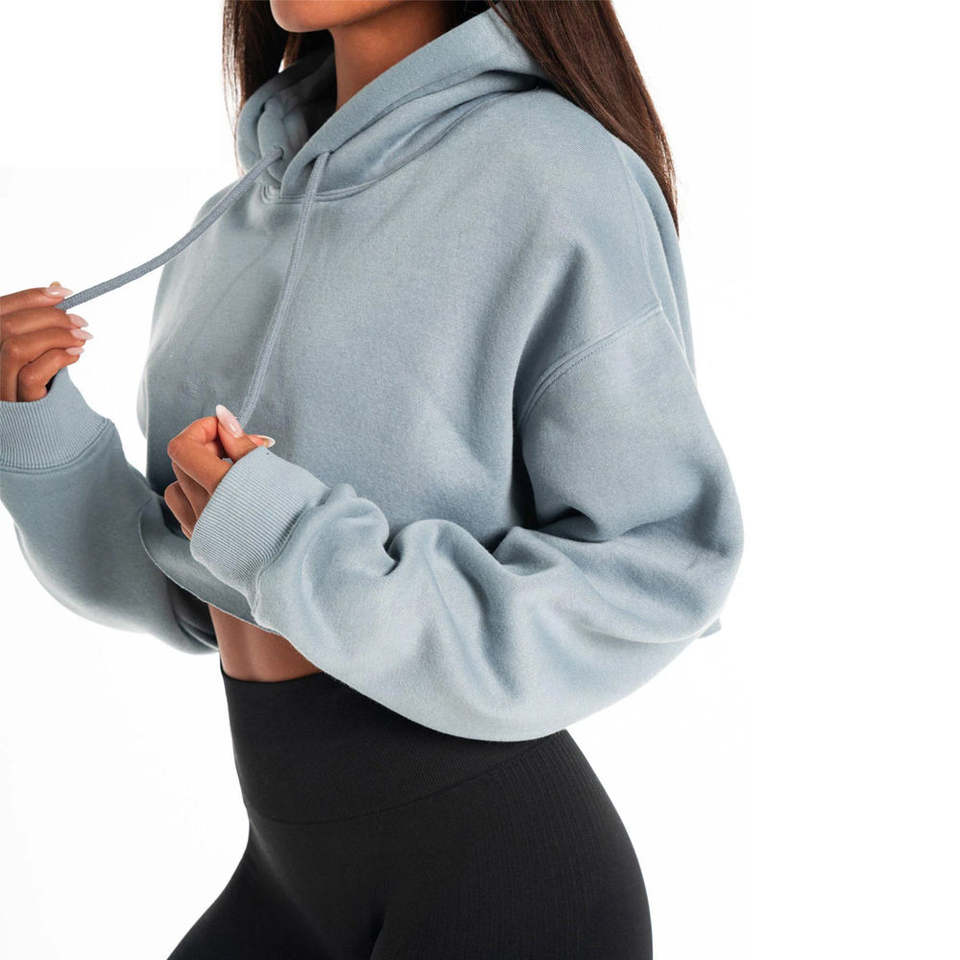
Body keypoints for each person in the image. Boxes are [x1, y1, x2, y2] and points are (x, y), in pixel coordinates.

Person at [0, 1, 743, 956]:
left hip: (499, 876)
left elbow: (659, 564)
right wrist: (36, 419)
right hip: (289, 869)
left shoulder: (555, 173)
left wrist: (289, 538)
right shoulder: (237, 218)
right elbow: (186, 585)